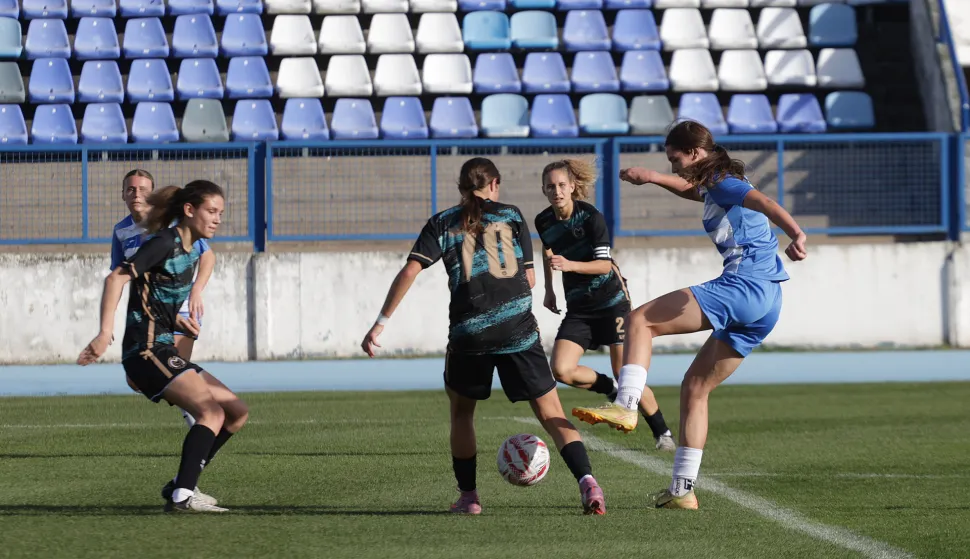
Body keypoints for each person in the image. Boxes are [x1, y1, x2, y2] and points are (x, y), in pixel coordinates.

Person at [572, 121, 808, 510]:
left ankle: (626, 405)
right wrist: (652, 177)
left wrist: (796, 234)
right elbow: (692, 190)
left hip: (744, 286)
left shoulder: (726, 183)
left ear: (695, 153)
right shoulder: (717, 182)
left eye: (675, 159)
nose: (674, 166)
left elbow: (764, 202)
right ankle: (683, 490)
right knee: (695, 387)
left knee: (639, 321)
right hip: (768, 302)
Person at [361, 157, 606, 516]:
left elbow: (410, 270)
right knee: (551, 412)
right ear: (494, 184)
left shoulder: (442, 222)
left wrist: (380, 323)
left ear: (461, 187)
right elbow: (529, 279)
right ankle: (588, 484)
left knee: (462, 415)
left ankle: (469, 498)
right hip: (517, 330)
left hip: (469, 334)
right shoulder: (511, 215)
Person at [79, 181, 248, 513]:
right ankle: (182, 496)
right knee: (211, 413)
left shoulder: (191, 251)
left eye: (220, 213)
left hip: (162, 345)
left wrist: (176, 322)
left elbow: (153, 298)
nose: (217, 219)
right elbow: (116, 278)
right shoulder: (164, 243)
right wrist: (103, 333)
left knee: (236, 413)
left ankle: (181, 483)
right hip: (145, 350)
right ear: (189, 210)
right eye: (211, 211)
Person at [534, 159, 675, 452]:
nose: (556, 191)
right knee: (561, 369)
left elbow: (603, 265)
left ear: (572, 187)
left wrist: (569, 265)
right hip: (579, 307)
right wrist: (549, 290)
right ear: (544, 190)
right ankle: (609, 388)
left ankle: (663, 433)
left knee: (626, 374)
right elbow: (548, 253)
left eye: (561, 185)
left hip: (611, 302)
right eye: (550, 186)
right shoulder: (543, 221)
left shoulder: (591, 217)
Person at [111, 169, 216, 427]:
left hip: (180, 310)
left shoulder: (172, 224)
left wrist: (196, 290)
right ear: (123, 194)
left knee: (176, 373)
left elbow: (208, 255)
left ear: (152, 194)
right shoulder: (121, 231)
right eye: (131, 189)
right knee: (137, 380)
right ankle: (210, 407)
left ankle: (206, 423)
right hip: (148, 315)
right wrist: (109, 320)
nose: (136, 194)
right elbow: (118, 276)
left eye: (143, 189)